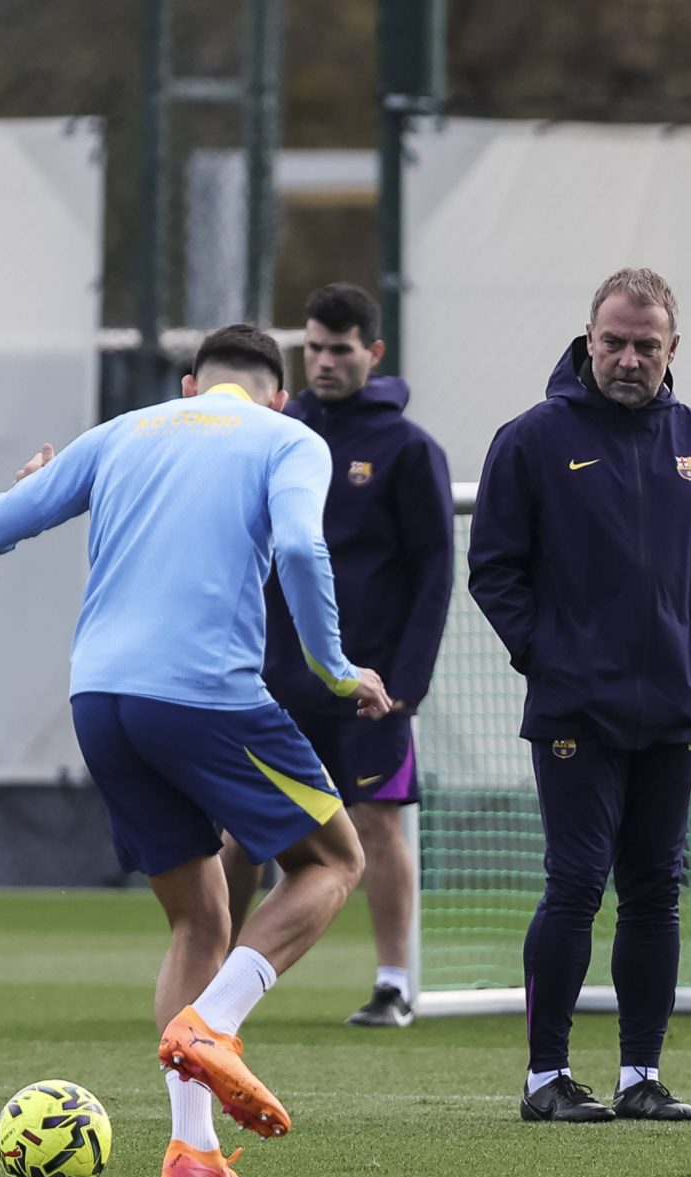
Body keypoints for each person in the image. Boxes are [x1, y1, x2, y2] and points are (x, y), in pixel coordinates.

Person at [0, 324, 393, 1177]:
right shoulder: (288, 438)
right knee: (334, 860)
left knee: (200, 919)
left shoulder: (122, 431)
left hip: (99, 701)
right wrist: (335, 670)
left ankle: (193, 1154)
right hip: (206, 694)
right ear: (279, 394)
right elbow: (302, 549)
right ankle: (215, 1023)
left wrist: (28, 485)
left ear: (190, 384)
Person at [467, 268, 691, 1124]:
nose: (629, 359)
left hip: (675, 708)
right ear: (588, 338)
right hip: (575, 710)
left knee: (656, 891)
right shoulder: (532, 439)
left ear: (673, 348)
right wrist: (549, 658)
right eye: (614, 342)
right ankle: (544, 1078)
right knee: (574, 884)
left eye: (646, 345)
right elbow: (494, 568)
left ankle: (641, 1075)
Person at [219, 283, 454, 1028]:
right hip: (274, 680)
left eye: (340, 349)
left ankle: (394, 984)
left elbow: (435, 571)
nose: (324, 361)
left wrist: (407, 682)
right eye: (314, 347)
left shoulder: (409, 450)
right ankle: (213, 979)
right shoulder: (276, 434)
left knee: (377, 825)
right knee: (241, 829)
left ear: (373, 352)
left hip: (370, 685)